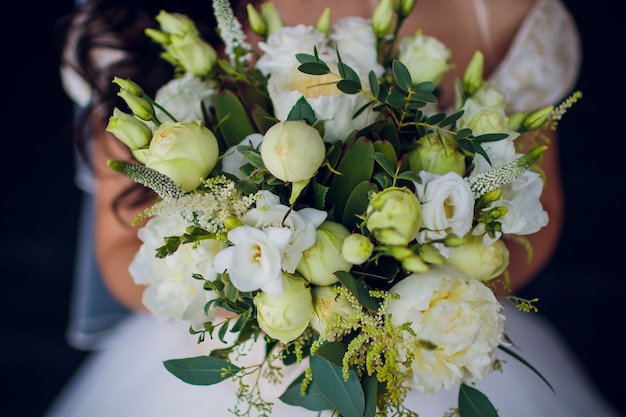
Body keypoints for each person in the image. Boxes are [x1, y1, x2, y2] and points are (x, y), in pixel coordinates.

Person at [45, 0, 622, 416]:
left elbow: (535, 212)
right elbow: (121, 249)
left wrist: (420, 305)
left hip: (427, 344)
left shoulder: (499, 13)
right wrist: (254, 300)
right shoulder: (135, 20)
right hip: (223, 357)